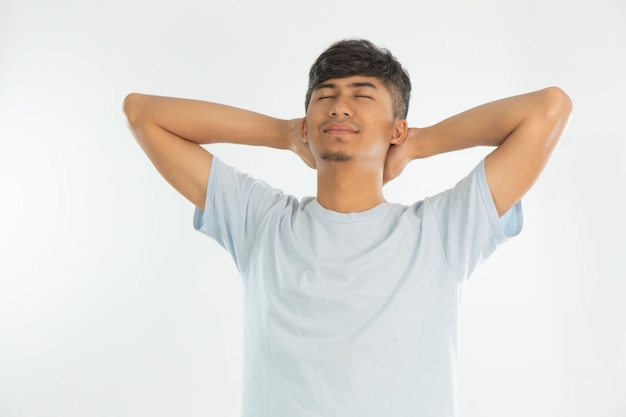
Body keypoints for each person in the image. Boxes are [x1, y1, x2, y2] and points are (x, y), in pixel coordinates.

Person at [123, 39, 572, 417]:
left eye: (362, 95)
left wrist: (418, 142)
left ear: (396, 126)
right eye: (325, 95)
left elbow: (549, 109)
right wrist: (284, 133)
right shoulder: (260, 220)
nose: (340, 105)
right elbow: (143, 114)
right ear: (308, 122)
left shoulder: (440, 229)